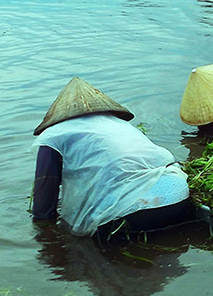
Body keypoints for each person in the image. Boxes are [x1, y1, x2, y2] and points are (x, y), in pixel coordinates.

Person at [31, 77, 192, 238]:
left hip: (131, 215)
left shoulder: (53, 135)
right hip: (179, 196)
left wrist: (44, 230)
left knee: (77, 242)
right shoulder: (120, 124)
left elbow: (43, 200)